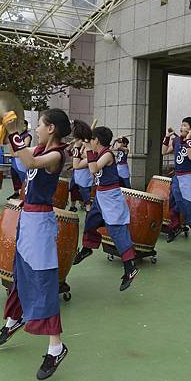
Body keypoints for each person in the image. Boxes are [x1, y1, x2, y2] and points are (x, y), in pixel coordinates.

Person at [0, 108, 71, 380]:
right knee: (21, 272)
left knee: (43, 281)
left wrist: (15, 131)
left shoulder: (55, 155)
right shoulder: (39, 148)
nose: (36, 128)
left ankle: (56, 347)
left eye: (40, 125)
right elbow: (21, 157)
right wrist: (5, 132)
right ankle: (14, 318)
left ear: (51, 128)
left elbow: (28, 163)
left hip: (39, 222)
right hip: (28, 219)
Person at [72, 125, 139, 291]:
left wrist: (87, 149)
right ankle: (87, 249)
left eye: (92, 140)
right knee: (90, 222)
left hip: (112, 198)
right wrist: (76, 147)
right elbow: (76, 165)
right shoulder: (96, 154)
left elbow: (93, 169)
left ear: (97, 140)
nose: (90, 143)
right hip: (101, 197)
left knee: (117, 232)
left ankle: (130, 268)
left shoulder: (108, 154)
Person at [162, 117, 191, 249]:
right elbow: (164, 152)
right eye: (181, 125)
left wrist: (188, 139)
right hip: (177, 176)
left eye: (184, 125)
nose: (181, 127)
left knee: (190, 205)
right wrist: (166, 137)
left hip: (190, 177)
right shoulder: (176, 140)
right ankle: (175, 226)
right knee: (175, 202)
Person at [70, 120, 94, 212]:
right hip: (77, 173)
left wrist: (77, 147)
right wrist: (74, 147)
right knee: (73, 189)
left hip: (85, 174)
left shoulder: (89, 145)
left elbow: (78, 163)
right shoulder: (82, 145)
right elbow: (73, 157)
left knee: (85, 193)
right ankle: (74, 205)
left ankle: (87, 207)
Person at [8, 120, 32, 200]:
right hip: (15, 159)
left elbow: (25, 146)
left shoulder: (27, 136)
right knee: (14, 176)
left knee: (23, 177)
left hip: (22, 159)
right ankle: (16, 193)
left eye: (23, 125)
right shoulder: (17, 136)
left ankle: (25, 194)